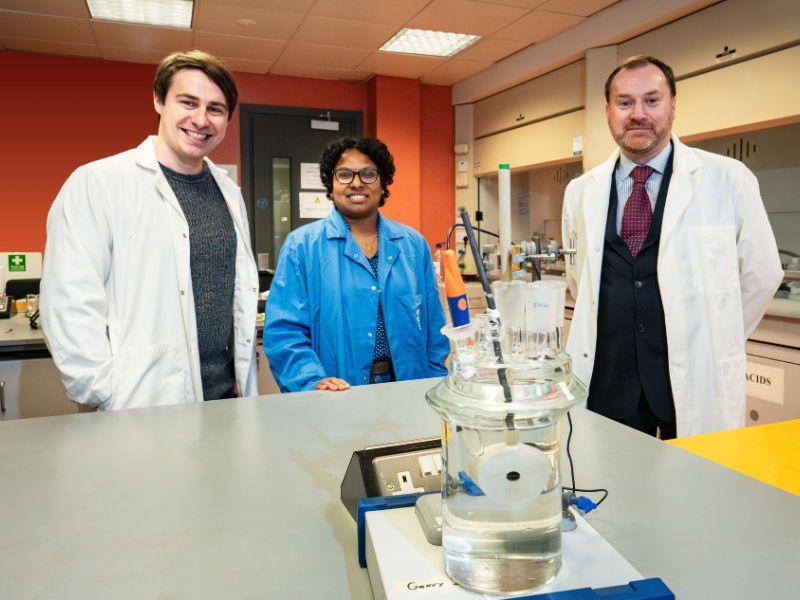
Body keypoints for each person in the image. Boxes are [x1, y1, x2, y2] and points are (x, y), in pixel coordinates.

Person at [562, 55, 782, 439]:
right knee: (615, 490)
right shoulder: (582, 191)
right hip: (609, 383)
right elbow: (580, 281)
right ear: (608, 111)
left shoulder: (727, 179)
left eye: (652, 100)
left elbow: (762, 275)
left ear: (673, 105)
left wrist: (712, 334)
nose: (638, 114)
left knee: (697, 490)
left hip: (694, 382)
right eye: (625, 102)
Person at [40, 50, 259, 410]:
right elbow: (69, 301)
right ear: (159, 100)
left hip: (226, 402)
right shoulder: (99, 183)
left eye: (216, 109)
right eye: (188, 102)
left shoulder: (229, 193)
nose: (201, 119)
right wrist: (99, 392)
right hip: (139, 404)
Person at [264, 136, 450, 392]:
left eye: (368, 174)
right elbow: (284, 332)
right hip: (337, 395)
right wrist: (310, 380)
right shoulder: (302, 246)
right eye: (344, 174)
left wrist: (434, 379)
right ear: (331, 183)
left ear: (383, 183)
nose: (356, 183)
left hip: (410, 388)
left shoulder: (412, 244)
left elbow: (433, 325)